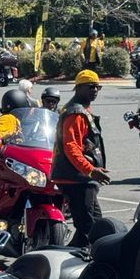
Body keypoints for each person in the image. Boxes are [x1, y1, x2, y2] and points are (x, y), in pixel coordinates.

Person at [50, 70, 110, 247]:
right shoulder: (76, 113)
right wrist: (90, 170)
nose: (95, 90)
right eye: (91, 86)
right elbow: (71, 147)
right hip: (75, 179)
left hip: (81, 178)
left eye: (98, 87)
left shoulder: (81, 110)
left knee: (95, 225)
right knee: (88, 227)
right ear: (79, 88)